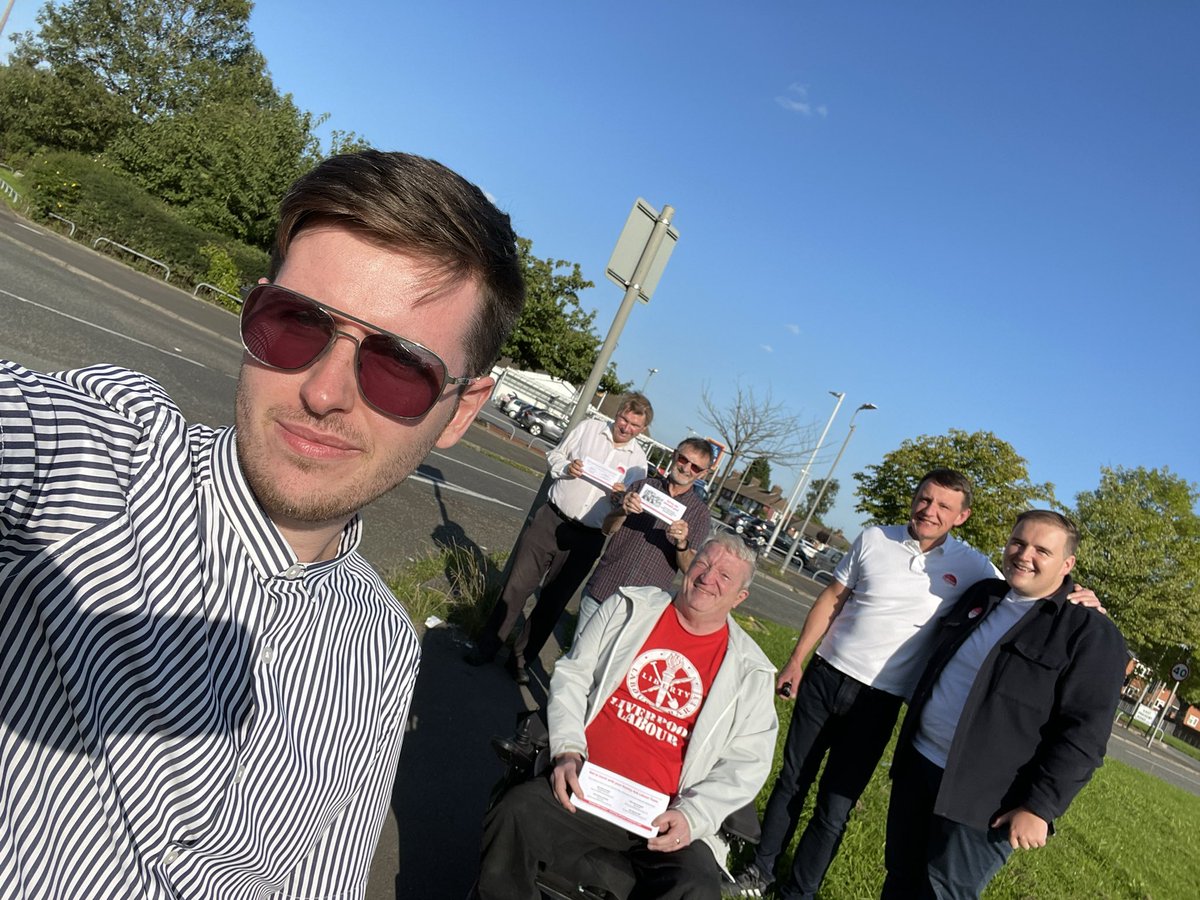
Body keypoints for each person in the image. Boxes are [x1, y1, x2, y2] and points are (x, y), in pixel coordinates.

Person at [0, 150, 525, 899]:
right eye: (294, 324)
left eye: (400, 367)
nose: (322, 392)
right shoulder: (100, 463)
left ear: (461, 411)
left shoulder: (381, 649)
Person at [728, 469, 1098, 900]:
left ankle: (800, 890)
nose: (931, 510)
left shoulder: (975, 568)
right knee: (792, 780)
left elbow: (1032, 584)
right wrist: (796, 660)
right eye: (925, 499)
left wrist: (1080, 597)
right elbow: (832, 598)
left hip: (879, 701)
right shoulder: (873, 538)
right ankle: (761, 869)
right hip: (826, 675)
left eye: (944, 506)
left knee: (835, 804)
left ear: (962, 516)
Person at [475, 533, 778, 899]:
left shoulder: (751, 672)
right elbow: (573, 676)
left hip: (665, 813)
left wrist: (693, 816)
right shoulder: (629, 608)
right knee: (514, 814)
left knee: (696, 888)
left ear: (739, 598)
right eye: (703, 563)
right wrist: (568, 749)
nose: (707, 577)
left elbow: (746, 765)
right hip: (589, 784)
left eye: (724, 576)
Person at [881, 511, 1126, 899]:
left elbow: (1084, 735)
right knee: (900, 876)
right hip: (920, 764)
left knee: (942, 892)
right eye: (1018, 542)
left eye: (1042, 550)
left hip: (986, 799)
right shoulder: (984, 596)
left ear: (1067, 564)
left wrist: (1040, 807)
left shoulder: (1090, 633)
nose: (1024, 554)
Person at [467, 395, 652, 682]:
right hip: (551, 520)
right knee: (517, 586)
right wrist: (567, 468)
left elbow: (628, 507)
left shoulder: (639, 465)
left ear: (643, 429)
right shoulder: (590, 429)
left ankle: (519, 661)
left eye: (635, 425)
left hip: (588, 537)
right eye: (624, 420)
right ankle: (487, 647)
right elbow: (555, 455)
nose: (626, 428)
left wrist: (620, 499)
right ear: (617, 415)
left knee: (553, 602)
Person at [573, 436, 714, 636]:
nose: (686, 468)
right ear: (674, 456)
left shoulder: (700, 514)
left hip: (641, 608)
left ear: (703, 474)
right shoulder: (641, 486)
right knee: (578, 660)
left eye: (695, 467)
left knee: (613, 666)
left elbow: (689, 568)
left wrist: (682, 543)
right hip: (604, 587)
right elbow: (607, 528)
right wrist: (623, 510)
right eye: (683, 460)